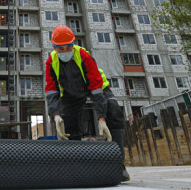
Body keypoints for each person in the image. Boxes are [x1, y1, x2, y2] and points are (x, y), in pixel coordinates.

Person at [44, 25, 130, 182]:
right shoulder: (51, 62)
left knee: (113, 110)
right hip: (71, 94)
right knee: (68, 124)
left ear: (73, 43)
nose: (64, 52)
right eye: (60, 49)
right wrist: (55, 115)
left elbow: (96, 87)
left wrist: (102, 119)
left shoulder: (83, 55)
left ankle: (118, 166)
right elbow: (51, 90)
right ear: (54, 47)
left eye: (68, 47)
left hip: (96, 87)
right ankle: (76, 167)